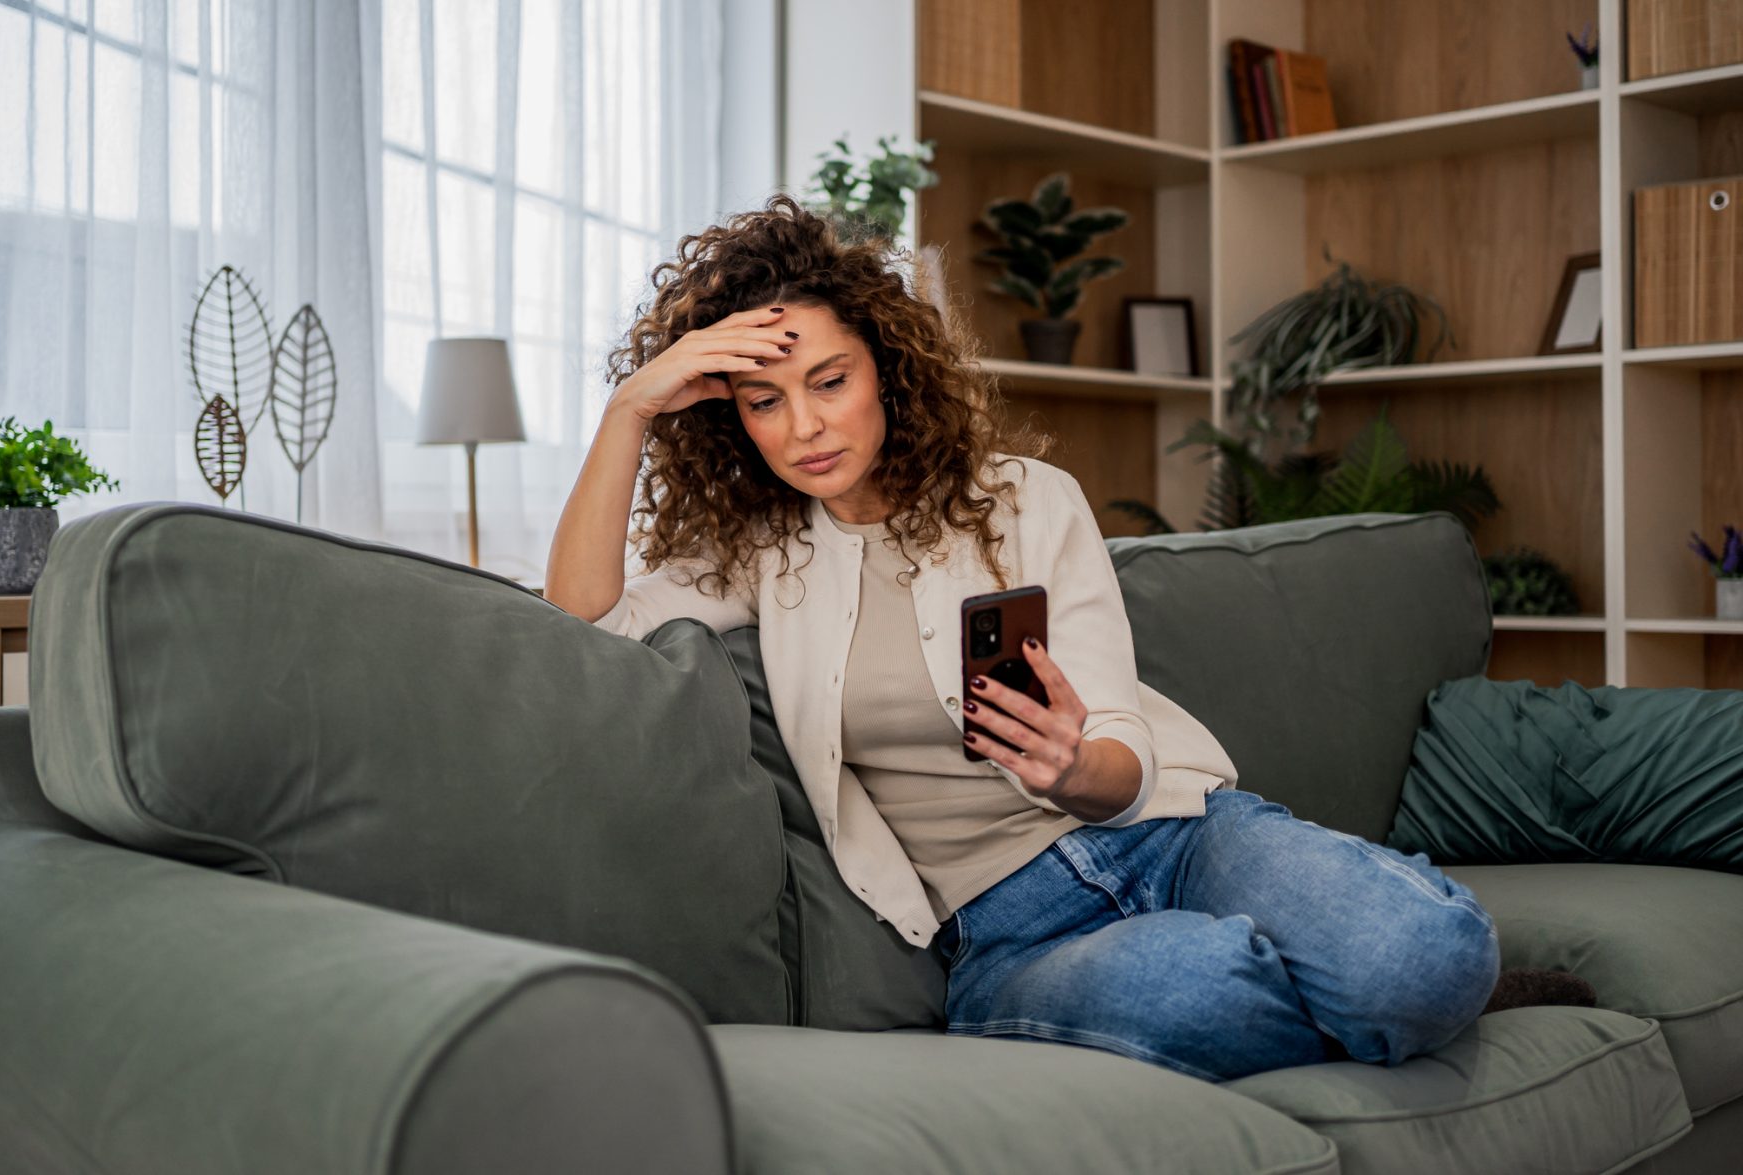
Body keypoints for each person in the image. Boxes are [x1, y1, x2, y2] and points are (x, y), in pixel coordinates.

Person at [544, 193, 1587, 1083]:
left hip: (1173, 834)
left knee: (1431, 955)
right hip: (1010, 929)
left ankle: (1410, 984)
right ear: (734, 417)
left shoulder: (1024, 501)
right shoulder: (765, 554)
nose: (806, 426)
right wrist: (632, 409)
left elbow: (1125, 752)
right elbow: (584, 618)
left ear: (886, 372)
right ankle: (1361, 995)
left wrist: (1074, 761)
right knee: (1208, 985)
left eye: (830, 380)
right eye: (765, 401)